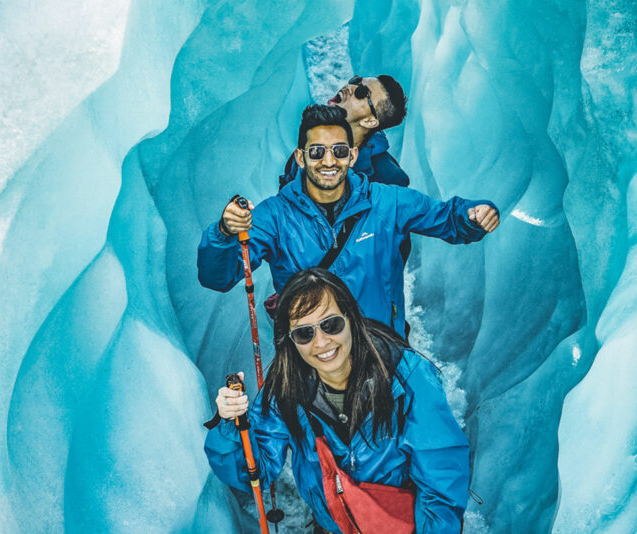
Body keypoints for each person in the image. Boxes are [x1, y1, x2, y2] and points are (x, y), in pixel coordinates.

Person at [204, 268, 470, 533]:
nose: (321, 342)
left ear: (351, 318)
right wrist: (231, 424)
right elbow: (255, 471)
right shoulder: (285, 386)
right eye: (304, 333)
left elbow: (440, 484)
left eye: (331, 325)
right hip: (335, 523)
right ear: (291, 340)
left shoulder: (408, 377)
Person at [197, 104, 500, 336]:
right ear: (300, 158)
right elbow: (219, 277)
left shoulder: (387, 202)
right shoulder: (274, 216)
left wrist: (472, 215)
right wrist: (224, 233)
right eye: (316, 152)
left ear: (353, 156)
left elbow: (444, 217)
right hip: (312, 362)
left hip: (380, 354)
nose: (328, 161)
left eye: (338, 151)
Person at [279, 75, 410, 189]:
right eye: (356, 80)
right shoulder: (313, 141)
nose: (350, 87)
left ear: (369, 121)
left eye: (362, 92)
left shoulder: (387, 180)